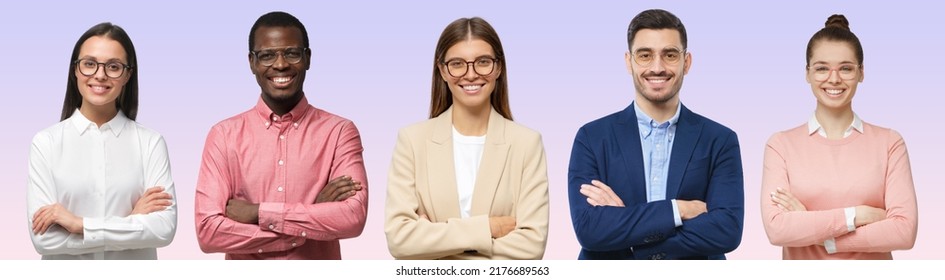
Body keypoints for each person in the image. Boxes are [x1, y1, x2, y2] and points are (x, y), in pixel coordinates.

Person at [568, 9, 744, 260]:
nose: (657, 67)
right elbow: (590, 230)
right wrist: (678, 210)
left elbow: (727, 231)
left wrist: (627, 227)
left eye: (670, 55)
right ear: (629, 62)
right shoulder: (592, 138)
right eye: (645, 55)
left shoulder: (720, 140)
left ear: (687, 62)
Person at [194, 11, 368, 260]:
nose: (280, 64)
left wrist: (258, 213)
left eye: (292, 53)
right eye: (266, 56)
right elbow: (209, 233)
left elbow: (352, 219)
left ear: (307, 58)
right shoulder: (223, 136)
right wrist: (310, 219)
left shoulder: (340, 132)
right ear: (252, 62)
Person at [384, 17, 549, 260]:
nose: (471, 75)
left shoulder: (527, 143)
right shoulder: (412, 140)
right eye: (457, 64)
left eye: (483, 62)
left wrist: (435, 240)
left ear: (498, 68)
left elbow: (532, 247)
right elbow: (399, 239)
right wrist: (490, 229)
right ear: (442, 70)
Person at [761, 14, 917, 260]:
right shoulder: (780, 145)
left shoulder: (889, 143)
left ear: (861, 72)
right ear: (807, 73)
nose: (834, 79)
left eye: (845, 68)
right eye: (822, 68)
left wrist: (817, 231)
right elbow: (777, 229)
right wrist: (858, 215)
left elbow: (904, 232)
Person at [26, 22, 177, 260]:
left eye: (113, 66)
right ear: (75, 69)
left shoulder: (150, 143)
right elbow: (44, 239)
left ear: (128, 74)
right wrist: (131, 223)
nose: (100, 74)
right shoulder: (46, 143)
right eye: (89, 64)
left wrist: (79, 225)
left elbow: (163, 229)